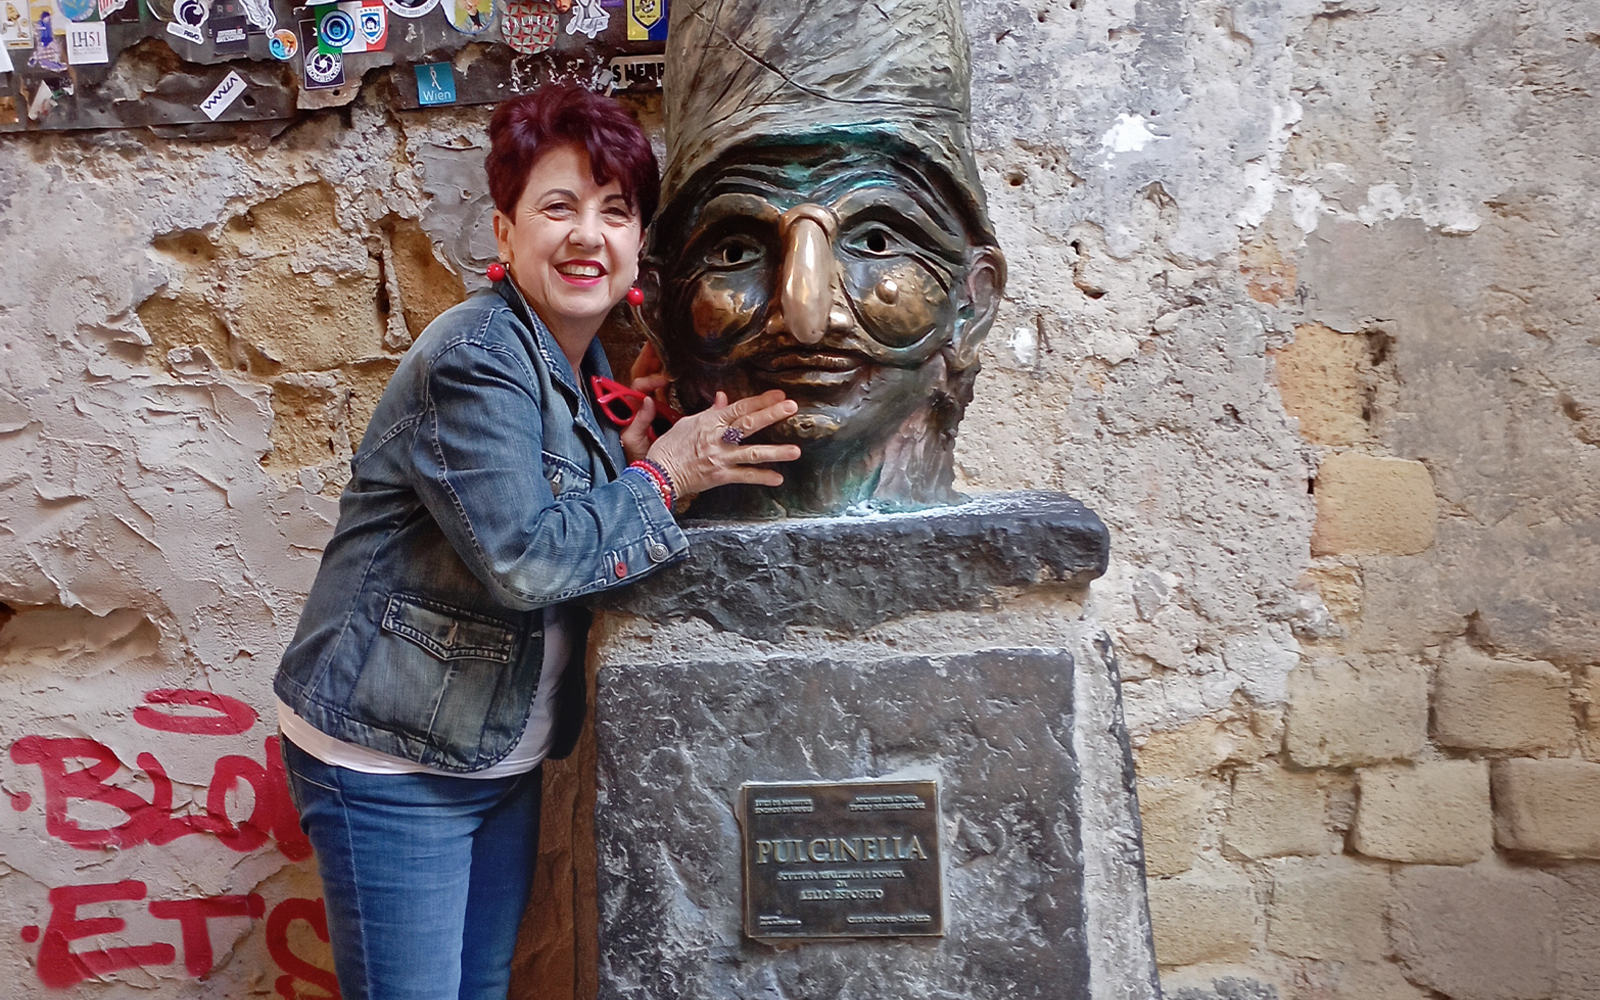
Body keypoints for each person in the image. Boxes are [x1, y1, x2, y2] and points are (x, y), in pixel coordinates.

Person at [272, 85, 801, 1000]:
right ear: (507, 233)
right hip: (393, 759)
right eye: (558, 207)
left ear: (640, 246)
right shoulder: (478, 356)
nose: (587, 235)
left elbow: (546, 510)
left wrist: (625, 459)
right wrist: (665, 476)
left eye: (614, 211)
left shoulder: (574, 363)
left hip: (494, 752)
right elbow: (523, 557)